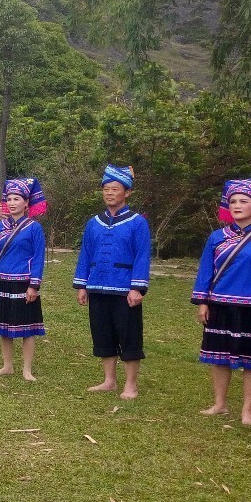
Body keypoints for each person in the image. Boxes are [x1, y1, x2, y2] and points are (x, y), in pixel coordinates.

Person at [192, 178, 251, 426]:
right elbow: (205, 271)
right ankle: (220, 404)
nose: (237, 205)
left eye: (244, 201)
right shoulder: (216, 237)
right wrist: (203, 302)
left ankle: (247, 411)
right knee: (219, 357)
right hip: (220, 305)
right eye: (233, 201)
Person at [75, 165, 151, 400]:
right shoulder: (93, 223)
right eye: (106, 189)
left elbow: (142, 255)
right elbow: (85, 254)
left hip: (124, 289)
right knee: (102, 333)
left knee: (129, 335)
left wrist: (137, 287)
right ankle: (109, 380)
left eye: (115, 189)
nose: (109, 193)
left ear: (126, 192)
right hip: (97, 286)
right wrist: (81, 284)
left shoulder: (138, 223)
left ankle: (131, 385)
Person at [0, 178, 48, 381]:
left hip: (23, 282)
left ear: (26, 203)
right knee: (4, 326)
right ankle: (7, 366)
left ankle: (26, 370)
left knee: (27, 328)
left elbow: (38, 257)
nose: (12, 203)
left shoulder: (34, 228)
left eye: (17, 199)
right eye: (9, 199)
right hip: (1, 280)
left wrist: (34, 285)